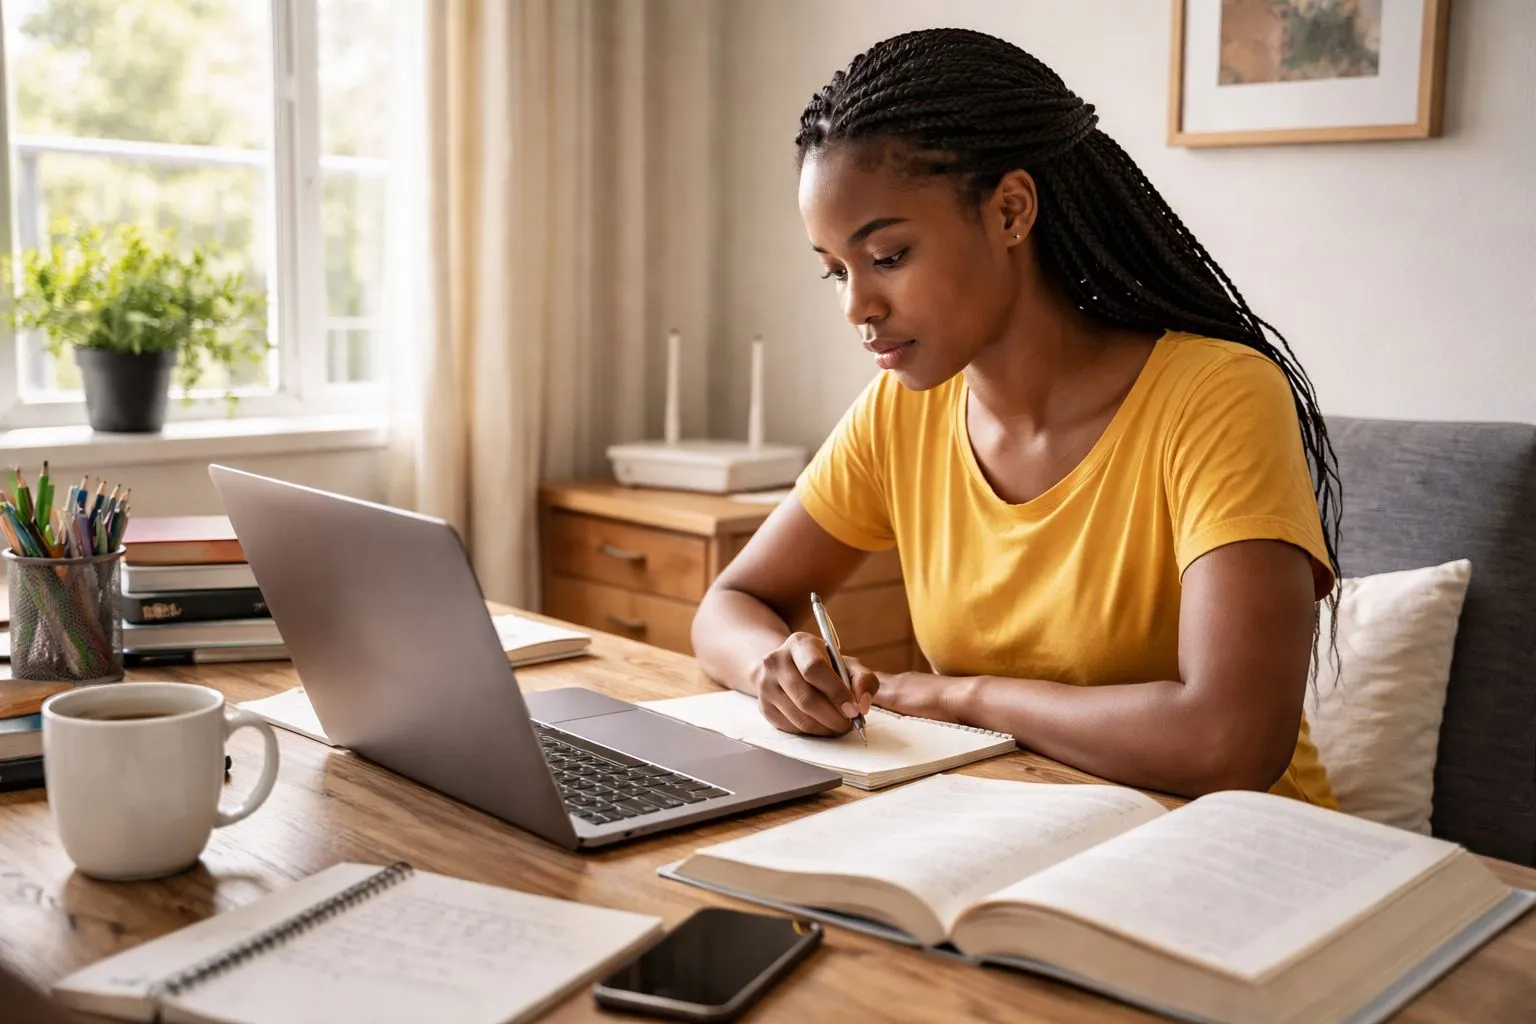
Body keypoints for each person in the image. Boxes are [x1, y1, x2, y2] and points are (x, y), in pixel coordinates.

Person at [690, 27, 1343, 805]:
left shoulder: (1218, 395)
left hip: (1242, 862)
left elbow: (1228, 742)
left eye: (888, 256)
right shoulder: (902, 413)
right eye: (835, 270)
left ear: (1010, 210)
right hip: (1013, 828)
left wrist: (960, 698)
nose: (857, 307)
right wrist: (778, 667)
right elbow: (729, 605)